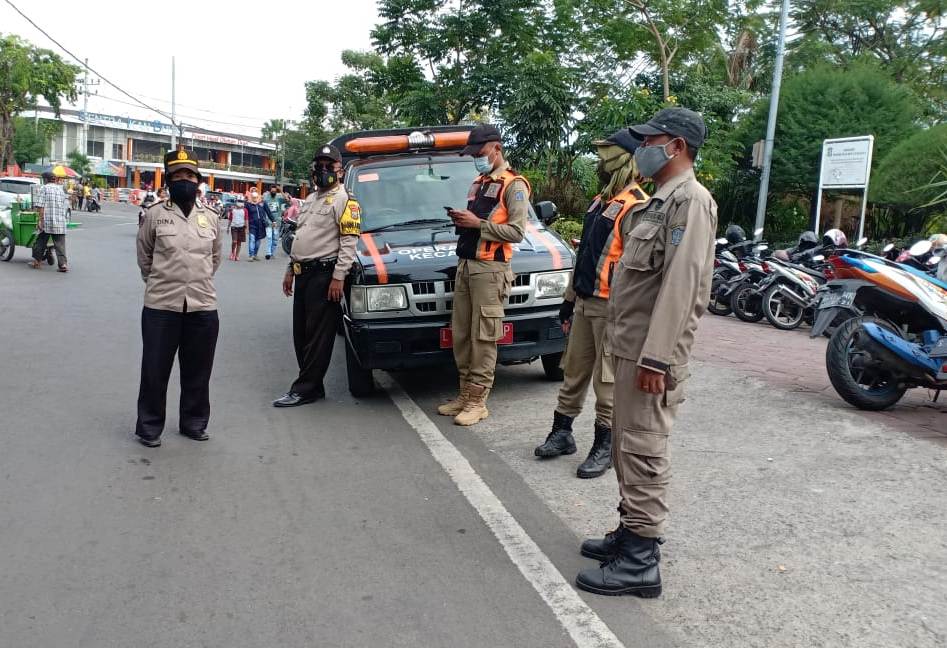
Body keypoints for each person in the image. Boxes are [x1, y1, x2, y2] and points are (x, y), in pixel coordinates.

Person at [575, 107, 717, 598]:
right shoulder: (660, 200)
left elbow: (683, 286)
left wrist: (658, 358)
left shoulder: (690, 202)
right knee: (625, 444)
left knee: (643, 445)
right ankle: (630, 531)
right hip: (631, 348)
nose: (641, 148)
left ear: (675, 146)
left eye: (648, 139)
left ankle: (641, 560)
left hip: (650, 356)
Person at [534, 129, 649, 478]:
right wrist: (568, 301)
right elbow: (588, 253)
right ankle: (562, 433)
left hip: (613, 307)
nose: (599, 163)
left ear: (624, 161)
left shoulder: (637, 204)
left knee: (607, 380)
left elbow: (638, 266)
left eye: (605, 157)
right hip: (585, 300)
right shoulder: (601, 201)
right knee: (574, 371)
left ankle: (604, 446)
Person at [437, 124, 530, 426]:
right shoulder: (479, 182)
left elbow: (516, 232)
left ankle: (478, 401)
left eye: (479, 153)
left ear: (496, 148)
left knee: (484, 336)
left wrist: (477, 224)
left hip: (491, 270)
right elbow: (476, 223)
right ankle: (465, 396)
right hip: (466, 265)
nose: (476, 158)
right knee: (462, 334)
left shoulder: (513, 185)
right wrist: (463, 221)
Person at [134, 146, 222, 448]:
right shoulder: (155, 215)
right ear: (168, 180)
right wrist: (160, 280)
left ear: (198, 180)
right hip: (161, 306)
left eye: (189, 175)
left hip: (202, 304)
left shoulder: (210, 217)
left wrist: (195, 280)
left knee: (198, 371)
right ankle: (149, 427)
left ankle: (193, 423)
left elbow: (215, 257)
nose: (184, 179)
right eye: (177, 175)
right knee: (155, 370)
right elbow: (144, 257)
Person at [273, 145, 360, 407]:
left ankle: (305, 388)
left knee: (318, 336)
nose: (323, 170)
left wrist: (338, 277)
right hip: (303, 273)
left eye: (329, 165)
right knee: (301, 333)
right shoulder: (311, 199)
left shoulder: (347, 201)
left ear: (340, 171)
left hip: (325, 275)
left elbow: (349, 241)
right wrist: (290, 269)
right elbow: (301, 238)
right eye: (319, 165)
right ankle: (313, 385)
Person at [31, 171, 70, 272]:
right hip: (60, 221)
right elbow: (66, 206)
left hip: (47, 221)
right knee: (60, 245)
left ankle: (37, 262)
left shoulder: (44, 188)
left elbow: (41, 206)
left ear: (45, 180)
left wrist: (40, 220)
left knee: (39, 242)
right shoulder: (61, 189)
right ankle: (63, 265)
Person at [244, 187, 272, 261]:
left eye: (256, 196)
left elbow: (268, 212)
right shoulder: (247, 204)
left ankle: (255, 255)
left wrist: (274, 221)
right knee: (252, 239)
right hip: (252, 225)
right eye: (253, 196)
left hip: (261, 225)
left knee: (258, 242)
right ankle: (251, 255)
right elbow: (244, 215)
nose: (254, 198)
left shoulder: (262, 203)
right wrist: (245, 227)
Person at [264, 185, 288, 259]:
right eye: (272, 191)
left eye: (275, 191)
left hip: (277, 222)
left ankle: (272, 253)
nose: (273, 192)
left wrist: (281, 190)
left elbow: (286, 199)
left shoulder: (279, 197)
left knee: (274, 239)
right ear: (270, 191)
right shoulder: (266, 197)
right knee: (269, 237)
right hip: (268, 221)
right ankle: (268, 253)